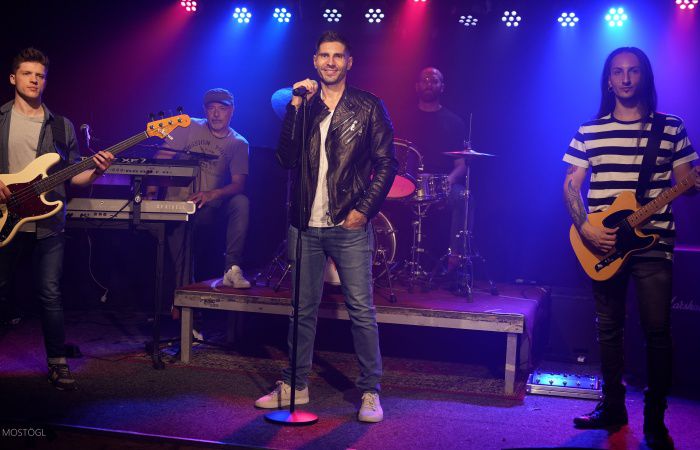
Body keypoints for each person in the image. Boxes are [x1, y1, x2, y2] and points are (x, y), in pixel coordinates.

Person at [254, 31, 397, 423]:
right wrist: (296, 105)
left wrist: (363, 210)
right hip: (304, 223)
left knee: (361, 310)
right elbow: (285, 158)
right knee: (301, 310)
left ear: (349, 62)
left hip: (348, 223)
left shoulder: (368, 106)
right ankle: (295, 385)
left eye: (337, 56)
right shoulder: (304, 104)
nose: (330, 62)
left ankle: (370, 390)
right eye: (323, 55)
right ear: (314, 61)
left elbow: (387, 163)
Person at [563, 47, 699, 449]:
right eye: (618, 72)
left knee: (657, 331)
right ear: (608, 80)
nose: (625, 79)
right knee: (608, 329)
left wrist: (693, 184)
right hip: (603, 241)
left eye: (633, 71)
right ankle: (612, 408)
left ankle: (655, 420)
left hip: (655, 240)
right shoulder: (590, 130)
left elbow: (686, 183)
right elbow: (571, 184)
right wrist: (585, 227)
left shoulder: (670, 127)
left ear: (644, 77)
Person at [0, 48, 114, 390]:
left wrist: (96, 171)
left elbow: (74, 176)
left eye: (40, 75)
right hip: (5, 216)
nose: (34, 80)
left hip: (48, 221)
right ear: (13, 78)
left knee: (50, 292)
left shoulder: (62, 126)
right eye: (27, 73)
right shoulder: (1, 118)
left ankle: (57, 363)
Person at [151, 88, 251, 295]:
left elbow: (239, 184)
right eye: (211, 108)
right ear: (205, 111)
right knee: (181, 271)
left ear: (232, 110)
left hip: (210, 209)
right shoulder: (187, 126)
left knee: (241, 202)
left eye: (222, 108)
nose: (216, 114)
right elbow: (160, 159)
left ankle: (232, 268)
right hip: (178, 208)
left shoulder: (238, 143)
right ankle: (184, 310)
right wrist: (151, 192)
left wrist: (212, 194)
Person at [401, 67, 467, 262]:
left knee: (464, 197)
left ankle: (455, 260)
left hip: (442, 186)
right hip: (409, 184)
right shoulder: (404, 119)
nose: (429, 84)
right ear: (417, 86)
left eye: (434, 80)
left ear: (442, 87)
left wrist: (447, 182)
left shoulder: (454, 122)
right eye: (425, 80)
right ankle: (384, 259)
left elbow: (461, 165)